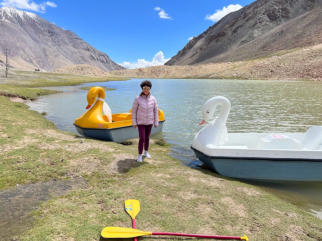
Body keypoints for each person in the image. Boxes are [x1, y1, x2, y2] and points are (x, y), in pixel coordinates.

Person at [132, 80, 159, 162]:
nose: (146, 90)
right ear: (142, 89)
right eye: (144, 88)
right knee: (142, 138)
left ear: (150, 89)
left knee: (147, 138)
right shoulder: (137, 98)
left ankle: (146, 152)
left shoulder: (153, 99)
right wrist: (134, 122)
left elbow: (155, 111)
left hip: (149, 122)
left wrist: (156, 121)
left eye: (147, 88)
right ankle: (139, 155)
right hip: (141, 122)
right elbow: (134, 111)